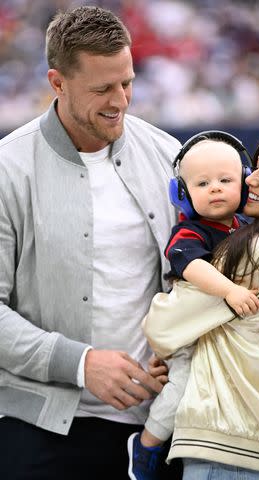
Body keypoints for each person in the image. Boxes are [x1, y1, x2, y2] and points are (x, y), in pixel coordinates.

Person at [0, 5, 183, 480]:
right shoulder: (7, 169)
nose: (120, 100)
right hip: (38, 427)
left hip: (155, 428)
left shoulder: (169, 155)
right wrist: (81, 364)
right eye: (102, 89)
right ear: (57, 83)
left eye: (127, 83)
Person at [143, 126, 259, 479]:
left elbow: (163, 326)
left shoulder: (254, 251)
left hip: (231, 453)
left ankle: (144, 447)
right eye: (254, 172)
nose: (250, 182)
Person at [127, 132, 259, 480]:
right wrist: (230, 290)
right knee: (183, 387)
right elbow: (192, 267)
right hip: (189, 334)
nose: (215, 188)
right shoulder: (190, 232)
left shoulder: (246, 227)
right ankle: (148, 443)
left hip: (220, 337)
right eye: (202, 183)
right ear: (181, 195)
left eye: (225, 180)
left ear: (245, 186)